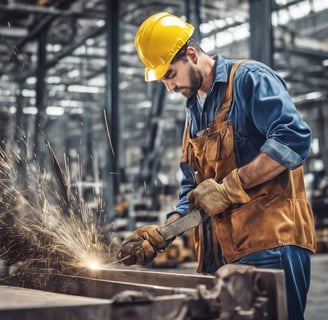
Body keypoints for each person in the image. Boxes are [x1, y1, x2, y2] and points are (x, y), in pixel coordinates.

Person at [116, 12, 316, 320]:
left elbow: (293, 139)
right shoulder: (194, 113)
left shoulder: (249, 79)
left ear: (192, 55)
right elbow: (191, 190)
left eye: (170, 74)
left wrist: (231, 187)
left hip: (270, 243)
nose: (168, 87)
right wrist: (163, 232)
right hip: (221, 252)